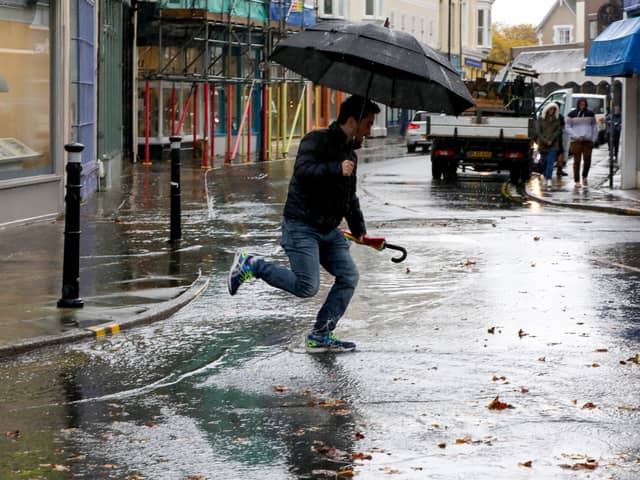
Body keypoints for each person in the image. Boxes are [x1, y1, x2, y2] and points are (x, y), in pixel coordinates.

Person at [227, 95, 380, 353]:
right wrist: (335, 168)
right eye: (367, 123)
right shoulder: (315, 140)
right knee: (307, 287)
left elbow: (349, 198)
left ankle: (321, 334)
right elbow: (303, 171)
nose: (370, 130)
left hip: (329, 230)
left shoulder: (350, 154)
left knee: (349, 276)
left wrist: (360, 232)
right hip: (301, 225)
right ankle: (251, 264)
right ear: (352, 121)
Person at [566, 97, 598, 188]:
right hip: (576, 141)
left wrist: (594, 139)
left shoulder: (591, 114)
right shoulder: (571, 114)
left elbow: (594, 127)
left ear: (586, 104)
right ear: (578, 104)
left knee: (587, 160)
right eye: (581, 104)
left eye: (584, 104)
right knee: (577, 161)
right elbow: (567, 127)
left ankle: (584, 176)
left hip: (588, 141)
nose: (582, 105)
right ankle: (577, 180)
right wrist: (576, 136)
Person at [535, 102, 563, 188]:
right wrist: (545, 140)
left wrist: (551, 139)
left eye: (554, 109)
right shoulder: (541, 119)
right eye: (550, 109)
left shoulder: (557, 119)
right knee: (543, 162)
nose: (552, 111)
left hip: (553, 144)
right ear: (547, 109)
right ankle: (544, 176)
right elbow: (538, 132)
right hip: (543, 144)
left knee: (550, 162)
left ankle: (549, 179)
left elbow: (558, 131)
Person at [555, 103, 568, 177]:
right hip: (551, 138)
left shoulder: (560, 117)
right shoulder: (550, 116)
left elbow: (563, 126)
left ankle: (559, 169)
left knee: (561, 154)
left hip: (559, 138)